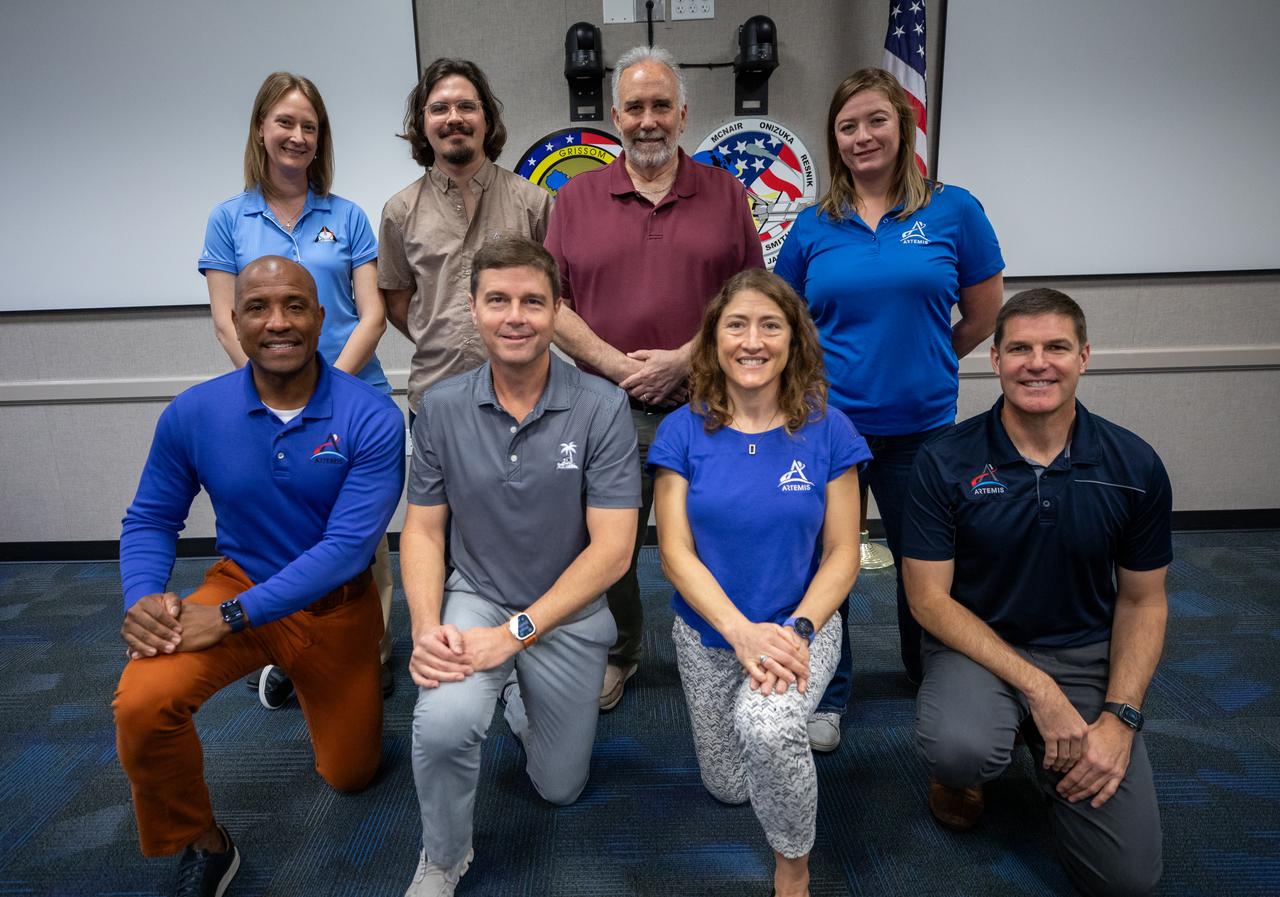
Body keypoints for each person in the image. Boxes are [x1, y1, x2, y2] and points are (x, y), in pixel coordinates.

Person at [113, 256, 404, 897]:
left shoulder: (372, 417)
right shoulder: (193, 414)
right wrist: (144, 600)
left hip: (334, 607)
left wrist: (227, 619)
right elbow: (151, 519)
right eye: (258, 308)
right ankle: (205, 843)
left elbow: (348, 547)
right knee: (142, 701)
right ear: (236, 323)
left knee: (352, 775)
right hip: (239, 585)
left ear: (320, 317)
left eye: (296, 306)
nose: (279, 322)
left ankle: (294, 674)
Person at [902, 289, 1169, 896]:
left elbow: (1143, 601)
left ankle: (1053, 746)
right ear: (994, 360)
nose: (1037, 363)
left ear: (1084, 357)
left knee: (1126, 882)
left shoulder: (1134, 466)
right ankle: (978, 763)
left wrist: (1120, 719)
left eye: (1056, 347)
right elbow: (928, 601)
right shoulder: (944, 461)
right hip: (978, 648)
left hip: (1083, 653)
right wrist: (1038, 690)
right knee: (961, 747)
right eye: (1019, 348)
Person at [400, 235, 639, 897]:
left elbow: (614, 550)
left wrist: (514, 635)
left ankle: (515, 693)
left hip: (567, 609)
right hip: (475, 596)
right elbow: (422, 528)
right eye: (498, 299)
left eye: (533, 301)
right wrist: (426, 626)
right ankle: (443, 856)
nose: (515, 316)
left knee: (560, 789)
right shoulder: (441, 408)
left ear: (558, 309)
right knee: (444, 724)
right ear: (472, 309)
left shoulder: (602, 406)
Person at [774, 67, 1005, 750]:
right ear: (835, 139)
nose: (862, 135)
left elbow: (983, 315)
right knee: (828, 568)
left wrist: (929, 357)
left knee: (925, 566)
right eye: (848, 126)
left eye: (876, 120)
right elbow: (784, 320)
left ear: (902, 128)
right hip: (829, 429)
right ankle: (827, 692)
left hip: (924, 431)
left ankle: (927, 673)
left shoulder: (952, 209)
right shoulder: (815, 224)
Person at [546, 44, 764, 711]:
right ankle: (621, 650)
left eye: (660, 105)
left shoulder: (725, 192)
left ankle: (733, 646)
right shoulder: (575, 198)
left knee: (728, 532)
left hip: (712, 403)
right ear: (615, 114)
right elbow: (550, 302)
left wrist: (685, 358)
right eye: (635, 106)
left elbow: (752, 297)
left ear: (683, 113)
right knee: (604, 543)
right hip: (604, 407)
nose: (648, 119)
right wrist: (617, 365)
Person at [650, 269, 867, 897]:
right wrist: (742, 635)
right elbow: (674, 553)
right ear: (712, 341)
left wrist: (794, 632)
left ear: (794, 340)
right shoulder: (682, 431)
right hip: (711, 635)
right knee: (729, 786)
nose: (753, 341)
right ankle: (776, 758)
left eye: (770, 325)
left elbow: (842, 555)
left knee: (767, 730)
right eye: (736, 325)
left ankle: (793, 870)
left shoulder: (828, 428)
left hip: (803, 627)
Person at [198, 71, 395, 707]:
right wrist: (281, 385)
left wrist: (326, 388)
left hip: (353, 393)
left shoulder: (348, 215)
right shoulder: (229, 218)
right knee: (289, 535)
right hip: (267, 404)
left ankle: (374, 651)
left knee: (363, 542)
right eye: (285, 122)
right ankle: (289, 648)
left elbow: (373, 314)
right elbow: (229, 319)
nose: (297, 135)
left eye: (309, 126)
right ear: (261, 129)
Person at [379, 57, 553, 418]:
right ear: (422, 124)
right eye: (439, 108)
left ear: (486, 119)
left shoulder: (533, 203)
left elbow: (558, 294)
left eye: (466, 107)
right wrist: (443, 336)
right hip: (434, 399)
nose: (453, 118)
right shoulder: (400, 212)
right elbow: (398, 303)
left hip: (526, 399)